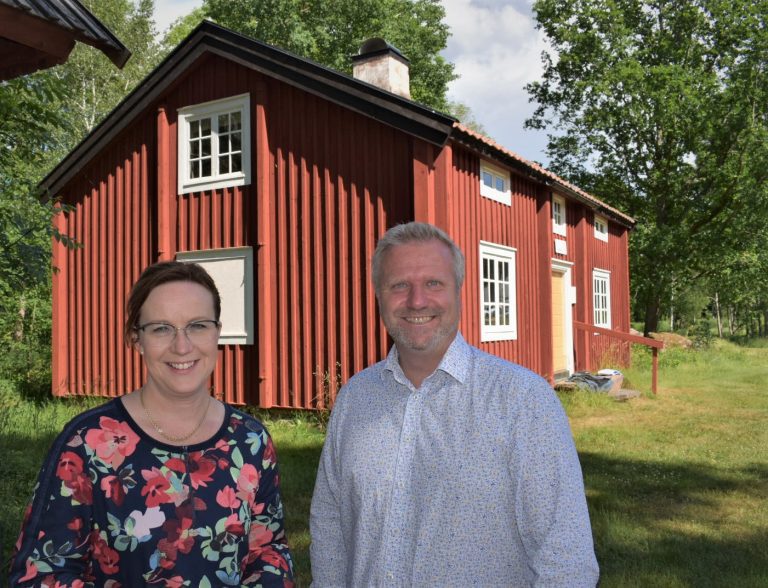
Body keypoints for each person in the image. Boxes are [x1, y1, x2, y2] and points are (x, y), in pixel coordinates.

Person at [310, 222, 599, 587]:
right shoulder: (355, 398)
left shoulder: (522, 401)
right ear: (378, 296)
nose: (417, 301)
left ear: (459, 291)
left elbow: (566, 561)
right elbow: (330, 527)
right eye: (399, 285)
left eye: (433, 283)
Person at [11, 261, 294, 586]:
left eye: (198, 325)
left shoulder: (251, 441)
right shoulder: (86, 443)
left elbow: (268, 550)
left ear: (217, 331)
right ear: (136, 339)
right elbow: (41, 572)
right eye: (161, 328)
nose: (182, 346)